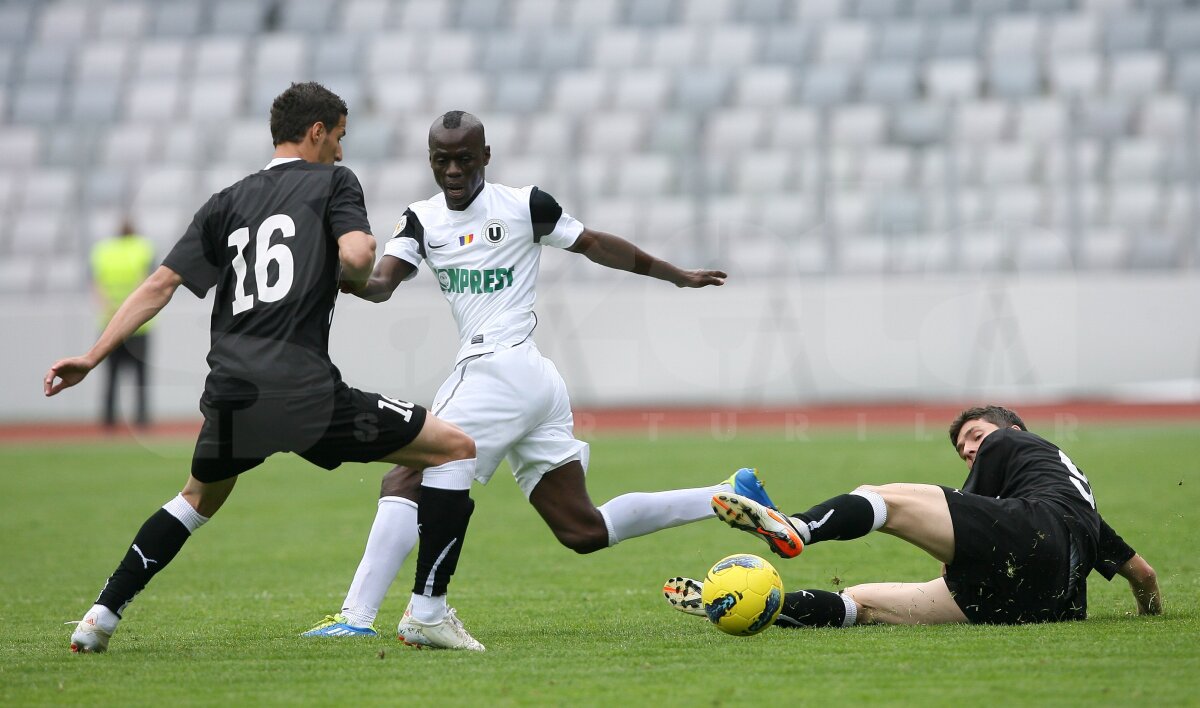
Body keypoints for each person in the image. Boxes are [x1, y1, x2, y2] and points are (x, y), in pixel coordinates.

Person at [45, 83, 485, 653]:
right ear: (318, 132)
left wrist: (92, 354)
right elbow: (356, 258)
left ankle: (100, 616)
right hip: (303, 394)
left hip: (232, 394)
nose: (342, 153)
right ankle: (427, 611)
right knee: (455, 448)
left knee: (196, 498)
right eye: (341, 138)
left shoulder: (227, 200)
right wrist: (349, 269)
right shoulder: (333, 183)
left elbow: (160, 285)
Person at [302, 110, 759, 638]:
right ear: (430, 160)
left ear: (486, 157)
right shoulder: (421, 220)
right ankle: (727, 494)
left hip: (499, 367)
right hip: (532, 381)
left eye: (464, 160)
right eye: (441, 160)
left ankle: (358, 619)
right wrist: (339, 275)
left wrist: (673, 274)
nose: (452, 171)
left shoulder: (524, 204)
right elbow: (381, 283)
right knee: (583, 528)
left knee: (407, 472)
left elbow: (595, 243)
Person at [664, 405, 1162, 628]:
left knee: (887, 500)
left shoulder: (1009, 441)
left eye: (975, 434)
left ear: (1013, 429)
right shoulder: (1082, 506)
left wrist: (953, 557)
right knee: (863, 603)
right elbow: (1144, 576)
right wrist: (1149, 618)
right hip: (1045, 603)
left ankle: (797, 527)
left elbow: (960, 541)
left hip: (1027, 537)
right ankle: (734, 601)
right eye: (961, 444)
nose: (970, 446)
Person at [90, 219, 155, 429]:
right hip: (139, 324)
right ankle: (142, 419)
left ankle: (108, 421)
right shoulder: (143, 248)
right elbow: (148, 283)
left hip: (110, 322)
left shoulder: (102, 251)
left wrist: (110, 307)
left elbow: (96, 284)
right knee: (141, 377)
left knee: (111, 376)